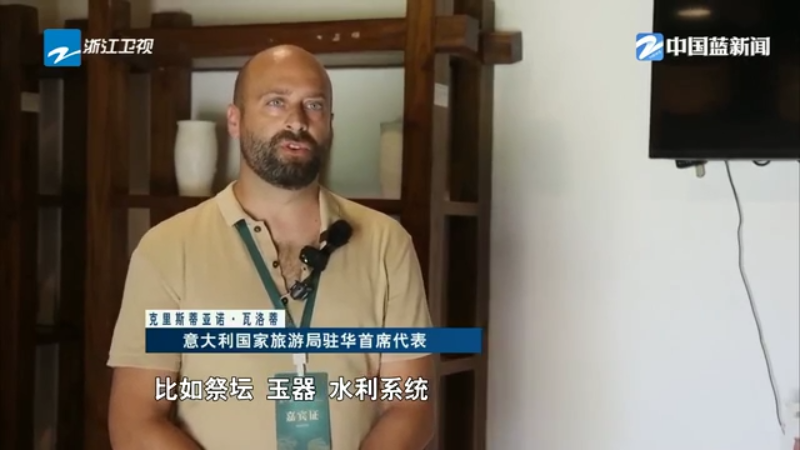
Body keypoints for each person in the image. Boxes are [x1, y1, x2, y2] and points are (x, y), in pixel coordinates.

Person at [107, 45, 434, 450]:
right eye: (276, 102)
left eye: (313, 105)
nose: (297, 120)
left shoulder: (386, 243)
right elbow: (136, 420)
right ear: (235, 120)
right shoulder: (167, 249)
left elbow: (412, 406)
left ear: (330, 125)